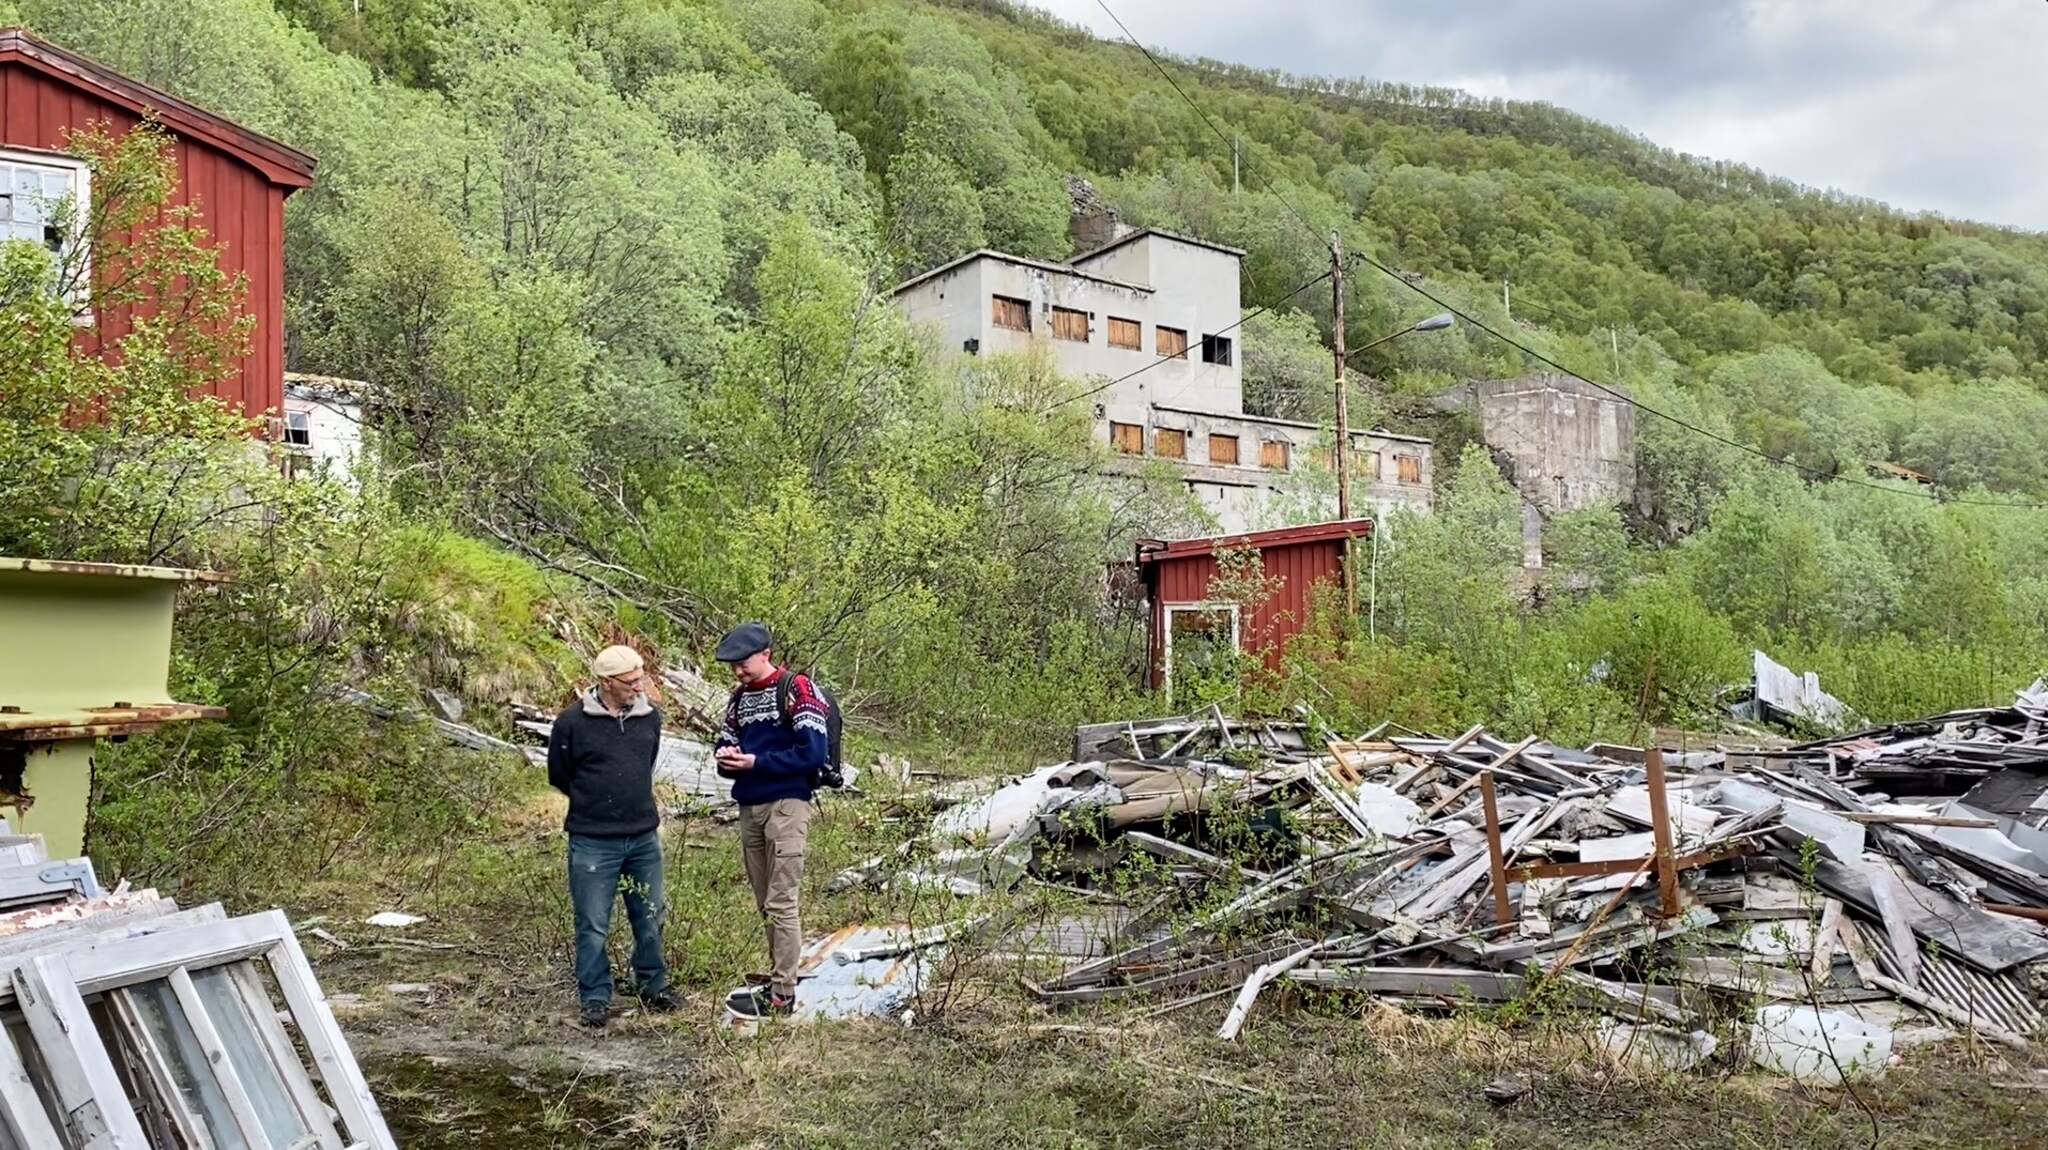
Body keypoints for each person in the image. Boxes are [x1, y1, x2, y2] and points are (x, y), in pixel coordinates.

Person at [546, 644, 680, 1028]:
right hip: (592, 840)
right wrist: (593, 804)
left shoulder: (650, 719)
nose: (640, 687)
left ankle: (652, 985)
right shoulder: (571, 723)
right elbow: (559, 774)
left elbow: (645, 764)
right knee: (592, 922)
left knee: (651, 915)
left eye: (641, 678)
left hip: (643, 838)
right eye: (631, 681)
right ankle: (594, 997)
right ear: (606, 682)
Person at [712, 622, 826, 1018]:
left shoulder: (797, 689)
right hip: (750, 806)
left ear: (764, 654)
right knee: (765, 902)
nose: (738, 671)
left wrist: (756, 762)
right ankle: (779, 980)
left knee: (781, 902)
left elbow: (812, 753)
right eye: (733, 666)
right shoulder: (738, 700)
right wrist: (727, 760)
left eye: (743, 663)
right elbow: (725, 743)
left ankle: (782, 994)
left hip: (787, 805)